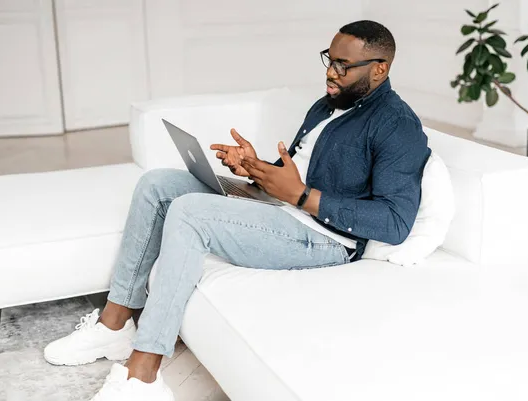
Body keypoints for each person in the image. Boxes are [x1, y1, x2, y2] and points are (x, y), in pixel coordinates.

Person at [44, 20, 431, 400]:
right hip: (284, 208)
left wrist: (299, 196)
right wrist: (256, 170)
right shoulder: (327, 106)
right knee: (157, 184)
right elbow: (295, 176)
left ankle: (143, 375)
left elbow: (395, 223)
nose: (331, 72)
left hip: (326, 239)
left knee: (191, 213)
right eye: (329, 59)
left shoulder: (397, 126)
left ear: (380, 68)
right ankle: (114, 326)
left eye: (343, 66)